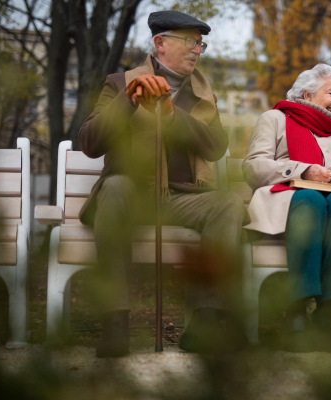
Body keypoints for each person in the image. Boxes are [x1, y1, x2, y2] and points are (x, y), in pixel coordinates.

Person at [78, 10, 248, 357]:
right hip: (130, 194)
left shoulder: (203, 93)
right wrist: (128, 99)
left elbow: (217, 148)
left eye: (200, 44)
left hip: (184, 198)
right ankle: (115, 323)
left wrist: (172, 116)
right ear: (160, 43)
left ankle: (205, 322)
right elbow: (90, 143)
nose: (197, 50)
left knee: (228, 203)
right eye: (189, 42)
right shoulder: (118, 82)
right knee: (114, 187)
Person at [242, 64, 331, 352]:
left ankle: (325, 314)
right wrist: (304, 171)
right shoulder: (275, 119)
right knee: (311, 199)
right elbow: (253, 167)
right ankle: (295, 312)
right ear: (307, 94)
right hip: (287, 204)